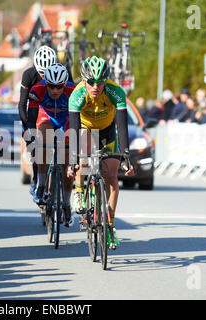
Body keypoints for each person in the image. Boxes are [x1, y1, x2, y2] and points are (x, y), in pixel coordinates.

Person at [67, 56, 134, 249]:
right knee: (84, 156)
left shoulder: (116, 92)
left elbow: (122, 127)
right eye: (91, 82)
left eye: (100, 82)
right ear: (83, 80)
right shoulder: (77, 95)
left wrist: (125, 157)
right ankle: (79, 190)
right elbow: (73, 129)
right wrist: (73, 162)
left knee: (112, 177)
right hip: (86, 129)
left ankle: (110, 226)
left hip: (107, 131)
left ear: (106, 80)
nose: (96, 86)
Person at [26, 63, 75, 227]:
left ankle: (67, 204)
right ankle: (41, 185)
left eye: (59, 86)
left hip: (65, 121)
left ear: (65, 84)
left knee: (66, 164)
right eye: (51, 86)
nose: (55, 91)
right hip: (46, 117)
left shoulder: (73, 91)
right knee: (43, 141)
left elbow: (78, 121)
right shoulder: (37, 90)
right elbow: (31, 119)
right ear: (45, 83)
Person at [18, 46, 57, 197]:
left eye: (47, 74)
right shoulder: (29, 75)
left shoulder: (62, 71)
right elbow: (22, 104)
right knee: (35, 146)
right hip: (36, 110)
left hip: (56, 110)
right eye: (41, 73)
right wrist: (27, 126)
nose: (44, 77)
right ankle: (37, 178)